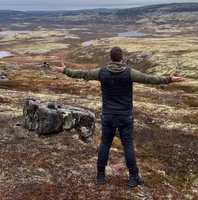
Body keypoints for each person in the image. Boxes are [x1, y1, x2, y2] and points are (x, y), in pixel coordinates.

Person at [51, 46, 185, 188]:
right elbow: (148, 79)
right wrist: (169, 79)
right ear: (122, 59)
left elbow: (84, 74)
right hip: (125, 117)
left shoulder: (102, 72)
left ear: (110, 58)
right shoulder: (129, 72)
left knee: (104, 145)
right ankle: (133, 177)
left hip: (108, 116)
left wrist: (65, 71)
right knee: (128, 146)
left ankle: (101, 176)